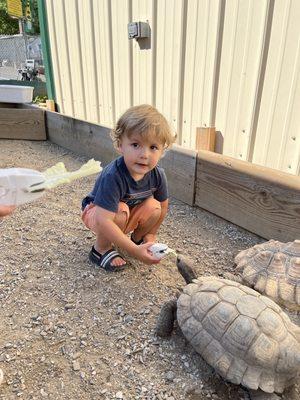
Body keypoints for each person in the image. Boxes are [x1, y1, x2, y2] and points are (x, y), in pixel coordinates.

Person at [81, 104, 176, 272]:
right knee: (119, 209)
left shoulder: (158, 175)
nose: (144, 154)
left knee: (154, 207)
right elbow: (104, 220)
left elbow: (163, 206)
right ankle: (100, 249)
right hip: (97, 213)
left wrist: (151, 233)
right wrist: (134, 253)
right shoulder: (113, 176)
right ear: (120, 145)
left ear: (162, 150)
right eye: (135, 145)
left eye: (153, 147)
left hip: (124, 213)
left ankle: (137, 240)